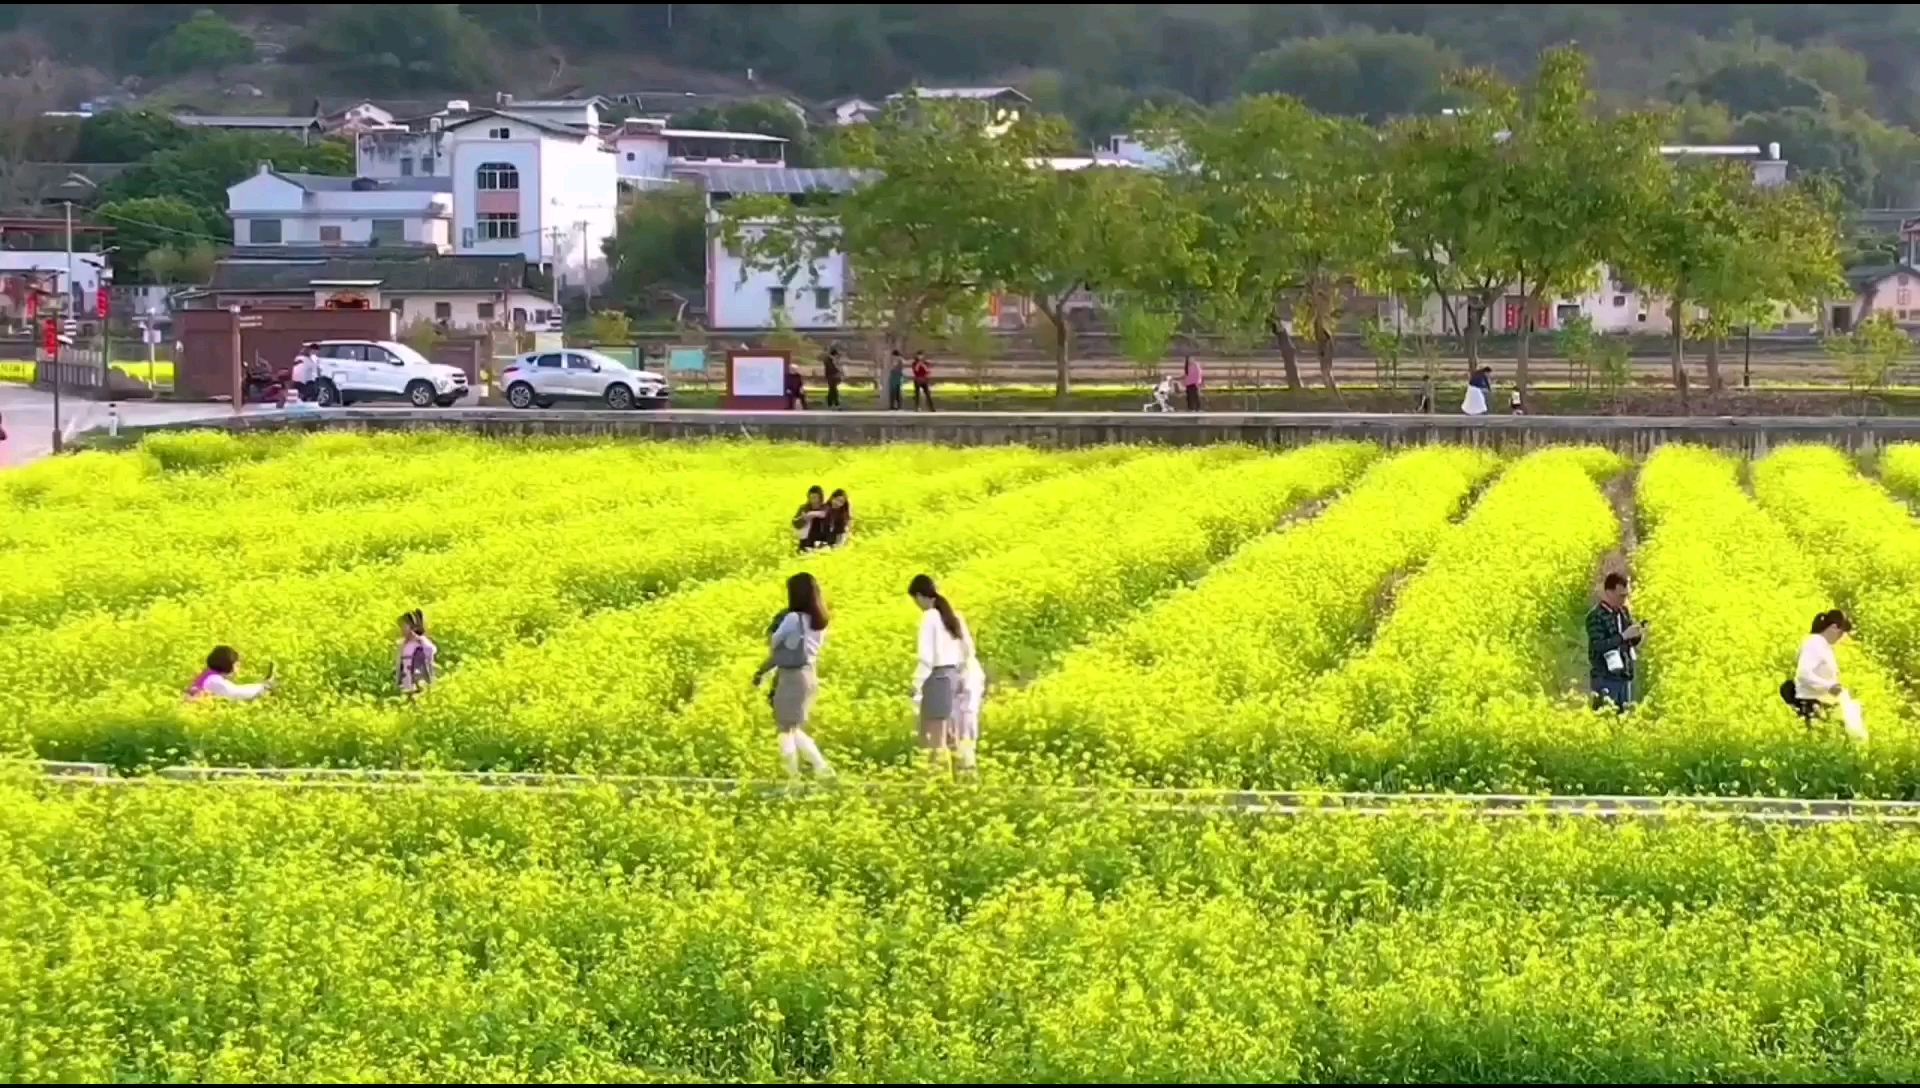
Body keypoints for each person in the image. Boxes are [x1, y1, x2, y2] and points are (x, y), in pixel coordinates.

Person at [752, 573, 835, 778]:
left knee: (784, 731)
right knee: (793, 728)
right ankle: (822, 770)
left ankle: (792, 777)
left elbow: (774, 642)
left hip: (791, 678)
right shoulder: (820, 620)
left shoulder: (792, 618)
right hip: (809, 675)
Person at [909, 573, 975, 773]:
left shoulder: (930, 617)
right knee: (951, 734)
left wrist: (916, 683)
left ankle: (936, 781)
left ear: (920, 596)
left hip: (937, 678)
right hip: (954, 676)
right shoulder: (953, 615)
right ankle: (965, 773)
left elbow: (927, 657)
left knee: (934, 738)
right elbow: (968, 650)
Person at [1586, 572, 1644, 710]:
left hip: (1624, 675)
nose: (1624, 600)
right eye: (1621, 596)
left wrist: (1637, 635)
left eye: (1626, 595)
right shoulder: (1595, 616)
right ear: (1609, 592)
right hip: (1605, 678)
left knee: (1623, 722)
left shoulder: (1623, 612)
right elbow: (1598, 646)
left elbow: (1629, 642)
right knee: (1604, 721)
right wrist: (1623, 636)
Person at [1785, 609, 1852, 722]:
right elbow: (1804, 674)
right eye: (1841, 632)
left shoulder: (1824, 645)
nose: (1841, 637)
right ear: (1833, 627)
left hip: (1822, 705)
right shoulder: (1814, 644)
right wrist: (1829, 686)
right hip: (1810, 705)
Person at [186, 646, 275, 702]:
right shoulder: (214, 681)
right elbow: (236, 693)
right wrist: (264, 688)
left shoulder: (208, 676)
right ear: (228, 665)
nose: (238, 669)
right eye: (237, 665)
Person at [396, 609, 438, 696]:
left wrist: (420, 639)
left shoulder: (420, 641)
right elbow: (400, 664)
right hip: (407, 679)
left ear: (412, 627)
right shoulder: (403, 644)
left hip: (420, 679)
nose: (402, 629)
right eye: (401, 627)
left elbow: (431, 650)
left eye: (404, 626)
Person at [793, 485, 833, 551]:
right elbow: (795, 524)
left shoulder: (825, 507)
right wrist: (803, 519)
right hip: (805, 541)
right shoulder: (803, 508)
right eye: (810, 497)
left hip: (821, 541)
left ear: (820, 497)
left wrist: (810, 514)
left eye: (814, 497)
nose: (812, 500)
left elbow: (824, 515)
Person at [822, 344, 844, 409]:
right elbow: (832, 368)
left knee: (832, 389)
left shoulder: (831, 360)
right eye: (836, 355)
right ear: (834, 355)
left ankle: (830, 403)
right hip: (831, 377)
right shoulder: (828, 360)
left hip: (832, 377)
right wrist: (838, 372)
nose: (837, 357)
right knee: (833, 389)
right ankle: (836, 404)